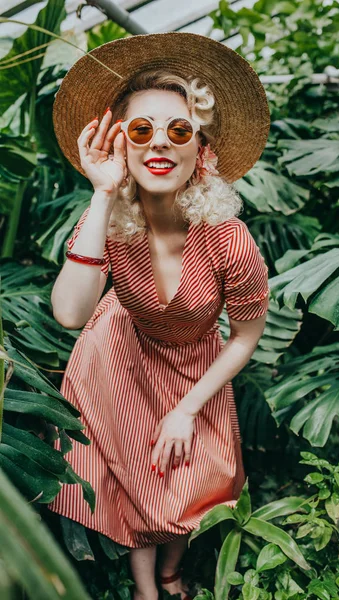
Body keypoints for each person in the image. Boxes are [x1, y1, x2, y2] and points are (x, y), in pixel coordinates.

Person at [47, 32, 270, 600]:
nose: (160, 144)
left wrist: (188, 409)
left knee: (201, 480)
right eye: (140, 130)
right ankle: (148, 585)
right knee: (134, 478)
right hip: (119, 358)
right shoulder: (107, 222)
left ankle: (170, 570)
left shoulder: (228, 239)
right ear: (120, 144)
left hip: (194, 367)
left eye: (179, 130)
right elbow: (71, 312)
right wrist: (101, 194)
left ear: (203, 150)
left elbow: (245, 338)